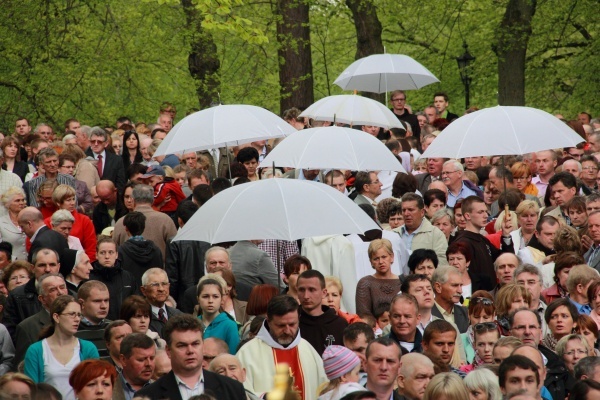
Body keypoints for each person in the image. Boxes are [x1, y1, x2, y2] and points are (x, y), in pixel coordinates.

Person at [136, 314, 246, 400]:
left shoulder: (232, 389)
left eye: (195, 344)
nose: (190, 351)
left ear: (202, 345)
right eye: (182, 345)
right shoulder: (148, 396)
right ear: (168, 351)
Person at [237, 295, 327, 399]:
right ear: (269, 321)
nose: (287, 331)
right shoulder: (248, 353)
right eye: (281, 326)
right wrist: (265, 397)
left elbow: (325, 388)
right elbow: (240, 391)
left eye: (292, 324)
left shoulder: (307, 349)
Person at [24, 295, 99, 400]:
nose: (77, 319)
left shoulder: (88, 348)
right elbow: (31, 391)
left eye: (79, 315)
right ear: (56, 317)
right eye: (72, 314)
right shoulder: (35, 350)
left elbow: (96, 387)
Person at [452, 195, 515, 292]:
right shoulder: (463, 243)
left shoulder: (482, 239)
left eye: (486, 211)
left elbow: (505, 258)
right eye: (480, 212)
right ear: (467, 216)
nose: (486, 215)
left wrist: (506, 234)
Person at [3, 248, 62, 337]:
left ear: (58, 267)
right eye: (42, 265)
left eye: (52, 265)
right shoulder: (16, 296)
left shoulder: (70, 294)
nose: (47, 269)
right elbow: (10, 332)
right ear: (32, 268)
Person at [113, 184, 177, 262]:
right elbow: (175, 249)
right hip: (158, 271)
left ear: (133, 200)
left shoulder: (121, 222)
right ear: (153, 200)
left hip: (128, 271)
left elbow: (113, 250)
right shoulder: (165, 220)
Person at [165, 201, 210, 305]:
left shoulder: (174, 242)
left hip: (183, 296)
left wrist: (171, 300)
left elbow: (172, 275)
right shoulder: (208, 239)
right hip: (205, 292)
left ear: (179, 220)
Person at [297, 270, 348, 355]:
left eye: (312, 290)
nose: (306, 296)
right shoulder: (291, 324)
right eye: (301, 290)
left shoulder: (340, 325)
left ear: (324, 293)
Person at [90, 236, 138, 320]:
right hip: (97, 326)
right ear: (96, 255)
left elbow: (135, 304)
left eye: (111, 252)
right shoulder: (89, 277)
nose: (107, 256)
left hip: (124, 325)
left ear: (116, 255)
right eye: (103, 253)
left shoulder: (128, 277)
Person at [46, 184, 97, 262]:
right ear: (58, 203)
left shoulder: (85, 220)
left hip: (80, 264)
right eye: (68, 200)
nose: (72, 203)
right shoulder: (48, 222)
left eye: (73, 199)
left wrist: (87, 265)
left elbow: (91, 248)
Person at [398, 193, 448, 266]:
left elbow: (442, 262)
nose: (406, 214)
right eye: (404, 210)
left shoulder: (435, 234)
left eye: (410, 210)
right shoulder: (394, 233)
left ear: (422, 212)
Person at [356, 239, 402, 318]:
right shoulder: (365, 283)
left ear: (391, 257)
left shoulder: (403, 281)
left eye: (384, 257)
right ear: (371, 261)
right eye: (376, 259)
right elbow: (364, 315)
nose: (381, 262)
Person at [196, 277, 240, 354]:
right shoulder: (193, 324)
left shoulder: (230, 325)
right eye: (205, 296)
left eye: (215, 296)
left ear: (221, 299)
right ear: (198, 299)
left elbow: (233, 355)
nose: (210, 301)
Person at [118, 212, 163, 285]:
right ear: (143, 228)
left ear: (126, 228)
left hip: (131, 293)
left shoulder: (121, 251)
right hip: (151, 292)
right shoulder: (156, 250)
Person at [113, 333, 156, 400]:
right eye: (141, 360)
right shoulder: (108, 389)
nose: (149, 364)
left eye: (152, 358)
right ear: (123, 360)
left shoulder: (164, 388)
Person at [85, 127, 126, 193]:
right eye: (93, 141)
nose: (96, 144)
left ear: (106, 144)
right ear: (89, 142)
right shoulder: (83, 158)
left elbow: (120, 183)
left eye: (99, 142)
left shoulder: (116, 160)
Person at [431, 265, 469, 333]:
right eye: (454, 285)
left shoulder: (465, 313)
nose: (460, 291)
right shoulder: (426, 314)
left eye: (461, 285)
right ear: (438, 287)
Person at [0, 186, 28, 260]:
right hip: (11, 265)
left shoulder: (30, 220)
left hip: (30, 264)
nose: (22, 203)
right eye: (17, 201)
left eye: (23, 200)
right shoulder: (1, 223)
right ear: (8, 204)